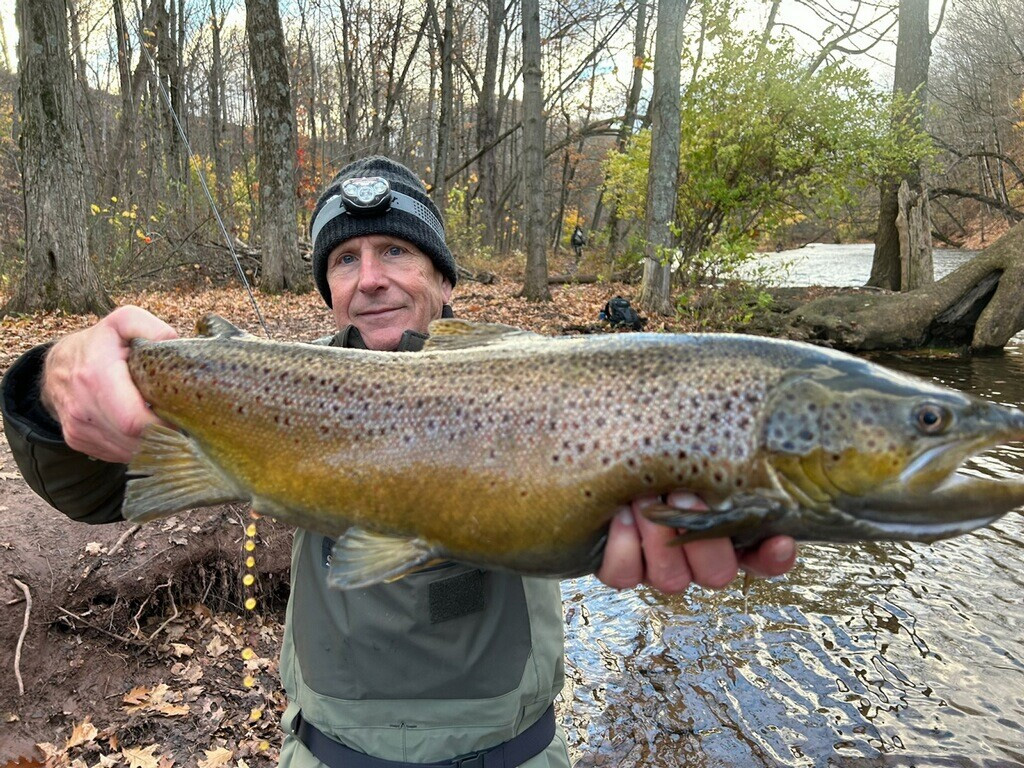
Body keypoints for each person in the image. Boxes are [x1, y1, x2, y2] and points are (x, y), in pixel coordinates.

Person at [1, 156, 796, 767]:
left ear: (445, 281)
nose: (371, 278)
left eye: (394, 251)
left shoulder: (539, 376)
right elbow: (93, 490)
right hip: (328, 752)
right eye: (345, 260)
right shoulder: (261, 391)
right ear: (328, 291)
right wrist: (50, 382)